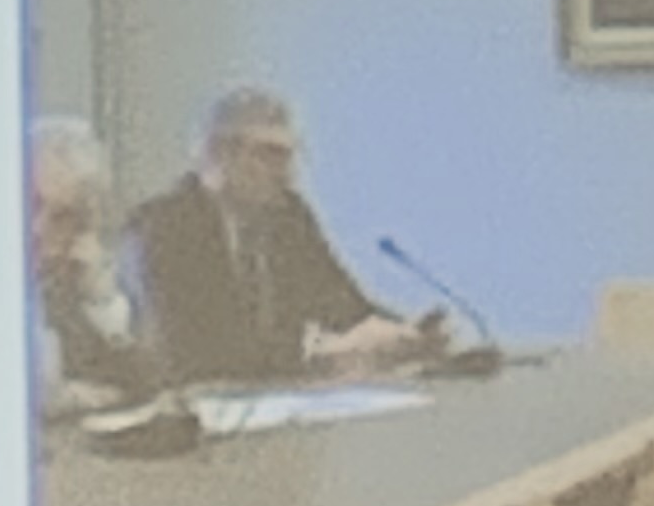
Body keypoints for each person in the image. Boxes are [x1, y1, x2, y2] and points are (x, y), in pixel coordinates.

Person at [122, 87, 441, 387]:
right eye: (271, 156)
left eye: (290, 157)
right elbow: (194, 351)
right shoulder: (161, 226)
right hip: (194, 409)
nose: (287, 174)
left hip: (282, 402)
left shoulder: (289, 215)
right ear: (220, 153)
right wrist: (319, 357)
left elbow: (341, 303)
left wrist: (405, 337)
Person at [29, 117, 157, 413]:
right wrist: (62, 398)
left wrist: (102, 301)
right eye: (30, 203)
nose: (36, 228)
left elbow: (146, 386)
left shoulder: (66, 287)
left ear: (83, 225)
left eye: (61, 216)